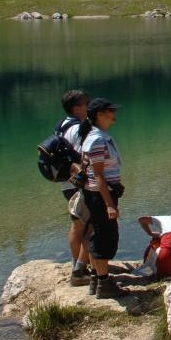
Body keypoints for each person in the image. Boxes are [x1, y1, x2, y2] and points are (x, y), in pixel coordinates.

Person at [80, 98, 127, 298]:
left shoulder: (94, 136)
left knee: (97, 235)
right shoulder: (98, 140)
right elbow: (98, 175)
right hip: (100, 196)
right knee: (105, 237)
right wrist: (109, 204)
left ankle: (95, 278)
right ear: (100, 114)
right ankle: (104, 284)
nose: (114, 115)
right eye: (110, 111)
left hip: (97, 193)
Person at [56, 90, 93, 287]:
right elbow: (83, 157)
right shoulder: (78, 128)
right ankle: (80, 270)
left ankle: (78, 264)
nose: (88, 106)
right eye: (86, 103)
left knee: (77, 224)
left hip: (66, 184)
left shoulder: (62, 125)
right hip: (80, 183)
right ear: (76, 108)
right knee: (91, 226)